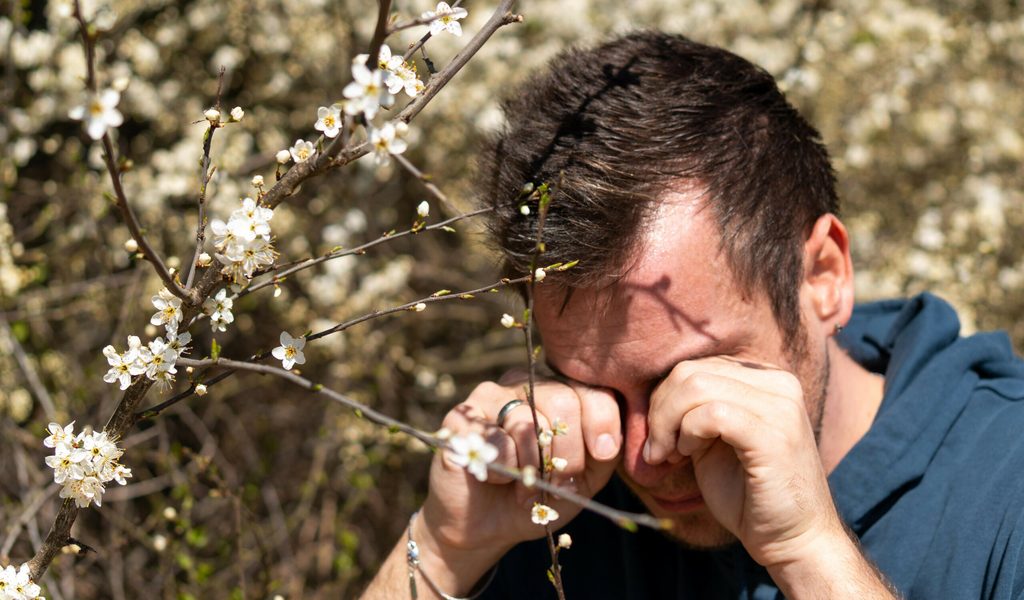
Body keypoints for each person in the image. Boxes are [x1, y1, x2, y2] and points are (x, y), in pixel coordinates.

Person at [363, 31, 1024, 599]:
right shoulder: (560, 503)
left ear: (823, 275)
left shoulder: (1003, 486)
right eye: (594, 387)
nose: (644, 458)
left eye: (688, 374)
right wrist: (446, 545)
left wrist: (809, 552)